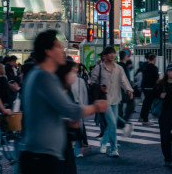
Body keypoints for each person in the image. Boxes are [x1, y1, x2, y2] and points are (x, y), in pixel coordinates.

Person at [19, 30, 108, 173]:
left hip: (40, 153)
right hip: (42, 157)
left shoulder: (36, 74)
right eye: (59, 47)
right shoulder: (44, 77)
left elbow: (42, 115)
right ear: (48, 51)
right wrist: (97, 107)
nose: (63, 51)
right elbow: (72, 110)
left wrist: (64, 123)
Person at [89, 46, 134, 157]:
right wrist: (99, 87)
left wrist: (129, 90)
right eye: (109, 53)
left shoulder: (119, 68)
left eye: (113, 53)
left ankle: (103, 142)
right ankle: (114, 149)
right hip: (104, 100)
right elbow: (91, 82)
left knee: (111, 124)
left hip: (116, 99)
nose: (112, 55)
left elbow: (124, 81)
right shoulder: (99, 68)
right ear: (105, 56)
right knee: (112, 123)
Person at [139, 53, 159, 124]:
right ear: (153, 59)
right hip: (151, 87)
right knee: (148, 104)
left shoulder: (145, 67)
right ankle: (145, 119)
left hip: (145, 87)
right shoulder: (154, 68)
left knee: (145, 103)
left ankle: (142, 116)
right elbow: (156, 78)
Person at [118, 50, 135, 123]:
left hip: (118, 89)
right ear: (124, 57)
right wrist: (129, 89)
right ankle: (123, 119)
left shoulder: (118, 65)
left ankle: (120, 120)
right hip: (123, 89)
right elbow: (125, 79)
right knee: (131, 103)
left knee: (120, 105)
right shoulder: (124, 66)